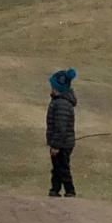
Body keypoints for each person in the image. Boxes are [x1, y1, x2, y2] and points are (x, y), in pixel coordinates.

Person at [46, 67, 78, 198]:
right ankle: (55, 189)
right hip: (61, 142)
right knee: (57, 167)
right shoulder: (59, 102)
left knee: (62, 167)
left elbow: (61, 126)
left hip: (62, 143)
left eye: (52, 86)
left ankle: (70, 190)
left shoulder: (61, 104)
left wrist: (56, 145)